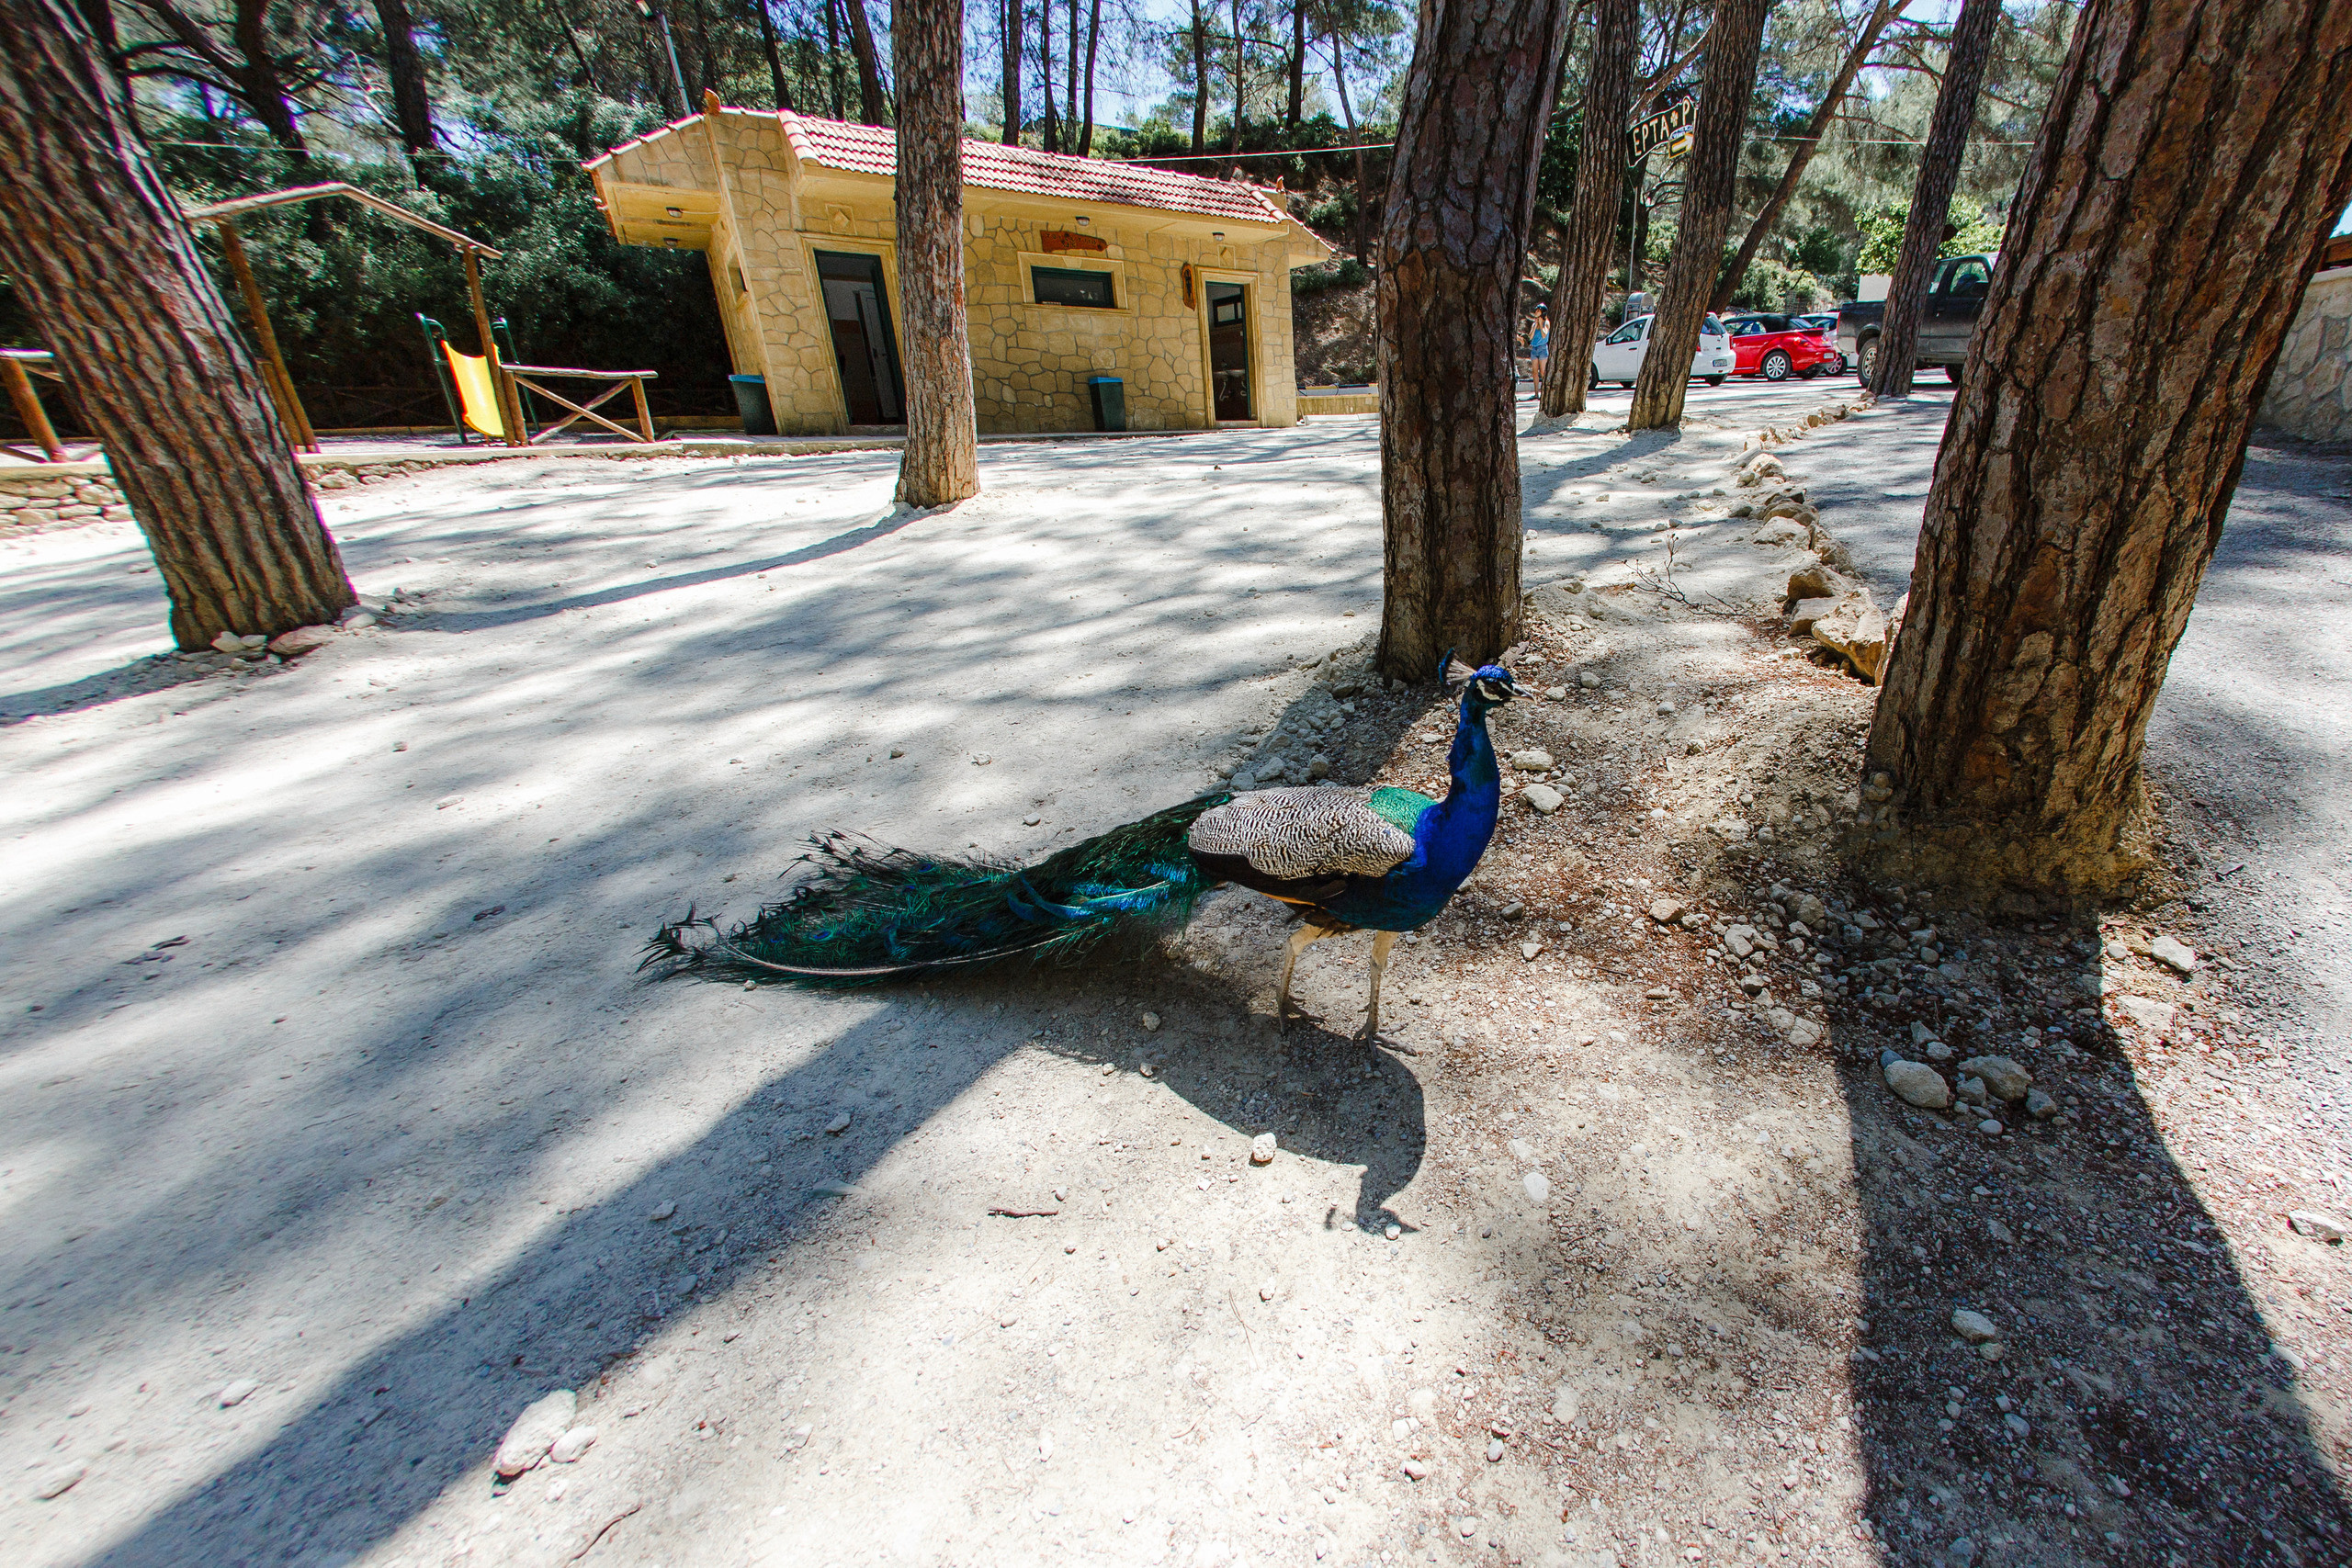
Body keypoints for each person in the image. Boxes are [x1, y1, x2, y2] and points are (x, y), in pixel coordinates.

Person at [1529, 306, 1551, 389]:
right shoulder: (1534, 324)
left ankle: (1544, 391)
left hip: (1542, 349)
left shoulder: (1546, 323)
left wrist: (1541, 324)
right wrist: (1535, 326)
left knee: (1543, 372)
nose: (1536, 312)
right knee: (1535, 372)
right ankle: (1536, 393)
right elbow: (1530, 337)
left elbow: (1544, 335)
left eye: (1538, 311)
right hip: (1534, 349)